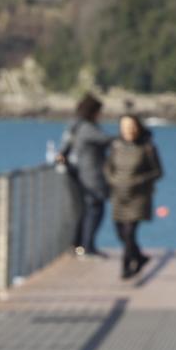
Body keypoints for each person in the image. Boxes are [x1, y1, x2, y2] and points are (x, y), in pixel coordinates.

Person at [106, 114, 163, 280]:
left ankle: (126, 266)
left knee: (130, 232)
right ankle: (139, 256)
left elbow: (158, 172)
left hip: (138, 196)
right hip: (119, 195)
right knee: (120, 232)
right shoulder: (116, 146)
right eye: (125, 126)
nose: (128, 130)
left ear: (138, 127)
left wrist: (138, 181)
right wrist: (113, 180)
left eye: (131, 126)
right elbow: (108, 167)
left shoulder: (148, 147)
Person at [57, 94, 111, 258]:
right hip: (89, 175)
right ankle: (87, 247)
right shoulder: (87, 128)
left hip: (77, 174)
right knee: (94, 209)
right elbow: (107, 140)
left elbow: (64, 147)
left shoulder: (73, 126)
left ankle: (79, 246)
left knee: (84, 210)